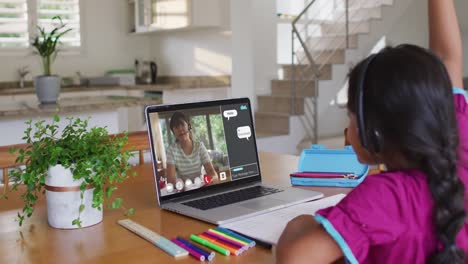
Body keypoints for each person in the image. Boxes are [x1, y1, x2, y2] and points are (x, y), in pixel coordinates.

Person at [276, 0, 467, 263]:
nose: (347, 128)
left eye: (351, 114)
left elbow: (295, 259)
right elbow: (447, 58)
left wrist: (301, 222)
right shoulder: (460, 136)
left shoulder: (384, 197)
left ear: (373, 131)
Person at [165, 111, 219, 187]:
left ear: (189, 126)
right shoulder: (171, 150)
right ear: (173, 132)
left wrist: (212, 180)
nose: (180, 129)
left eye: (182, 125)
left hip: (201, 186)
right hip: (183, 190)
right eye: (176, 127)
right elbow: (170, 181)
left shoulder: (199, 146)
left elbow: (212, 173)